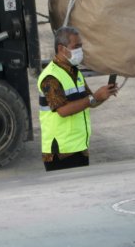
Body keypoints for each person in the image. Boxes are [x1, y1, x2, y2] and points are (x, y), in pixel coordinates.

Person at [38, 25, 117, 171]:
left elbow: (89, 102)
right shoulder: (50, 77)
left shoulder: (75, 73)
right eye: (76, 46)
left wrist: (104, 95)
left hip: (79, 147)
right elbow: (63, 110)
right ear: (62, 49)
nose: (80, 50)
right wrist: (93, 98)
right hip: (60, 152)